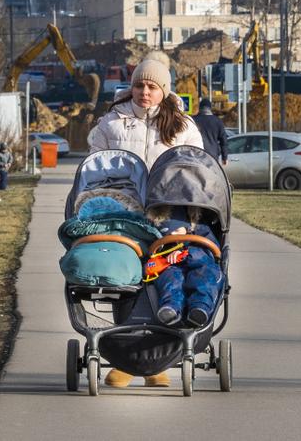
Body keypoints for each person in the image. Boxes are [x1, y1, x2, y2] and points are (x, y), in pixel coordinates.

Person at [87, 52, 204, 389]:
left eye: (152, 86)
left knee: (164, 270)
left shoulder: (183, 126)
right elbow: (96, 168)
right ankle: (126, 356)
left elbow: (196, 170)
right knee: (122, 276)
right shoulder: (111, 123)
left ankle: (156, 360)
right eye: (139, 85)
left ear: (164, 91)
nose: (144, 92)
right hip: (124, 210)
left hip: (168, 211)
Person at [150, 205, 222, 328]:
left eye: (177, 231)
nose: (173, 235)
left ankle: (200, 307)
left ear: (188, 226)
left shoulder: (202, 232)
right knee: (170, 280)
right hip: (172, 268)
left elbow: (210, 252)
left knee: (206, 276)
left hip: (199, 266)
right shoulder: (163, 241)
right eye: (168, 232)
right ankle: (171, 308)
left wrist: (186, 253)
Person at [192, 97, 228, 166]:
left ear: (200, 108)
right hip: (213, 156)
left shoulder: (193, 120)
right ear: (210, 108)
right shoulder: (217, 121)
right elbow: (224, 141)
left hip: (196, 155)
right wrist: (224, 157)